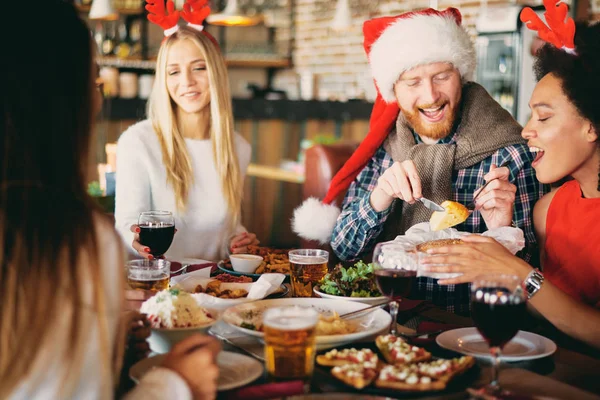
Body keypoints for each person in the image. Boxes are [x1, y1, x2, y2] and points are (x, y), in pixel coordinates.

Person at [0, 2, 220, 399]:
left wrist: (103, 341)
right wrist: (175, 384)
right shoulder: (70, 243)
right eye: (93, 84)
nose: (99, 101)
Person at [292, 8, 546, 315]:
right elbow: (345, 249)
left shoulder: (509, 154)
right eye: (412, 82)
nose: (430, 96)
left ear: (461, 76)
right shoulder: (385, 150)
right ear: (393, 91)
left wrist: (501, 231)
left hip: (466, 328)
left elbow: (532, 284)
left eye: (442, 76)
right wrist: (379, 197)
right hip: (385, 322)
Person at [421, 8, 600, 349]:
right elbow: (534, 320)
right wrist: (499, 233)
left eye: (543, 117)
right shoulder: (547, 211)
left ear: (592, 124)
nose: (527, 130)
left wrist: (519, 272)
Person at [115, 0, 258, 262]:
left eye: (199, 68)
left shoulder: (238, 147)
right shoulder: (137, 142)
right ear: (164, 80)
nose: (187, 82)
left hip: (218, 287)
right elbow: (127, 224)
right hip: (158, 287)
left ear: (216, 72)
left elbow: (227, 228)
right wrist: (133, 238)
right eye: (174, 72)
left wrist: (238, 241)